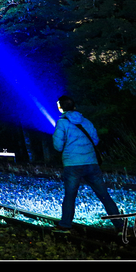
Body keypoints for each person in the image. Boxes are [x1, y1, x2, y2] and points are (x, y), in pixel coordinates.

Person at [52, 95, 124, 234]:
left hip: (72, 164)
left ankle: (65, 225)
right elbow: (95, 141)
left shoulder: (62, 123)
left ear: (61, 108)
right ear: (75, 106)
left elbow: (58, 146)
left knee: (70, 196)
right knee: (104, 195)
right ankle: (120, 226)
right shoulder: (87, 122)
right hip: (91, 163)